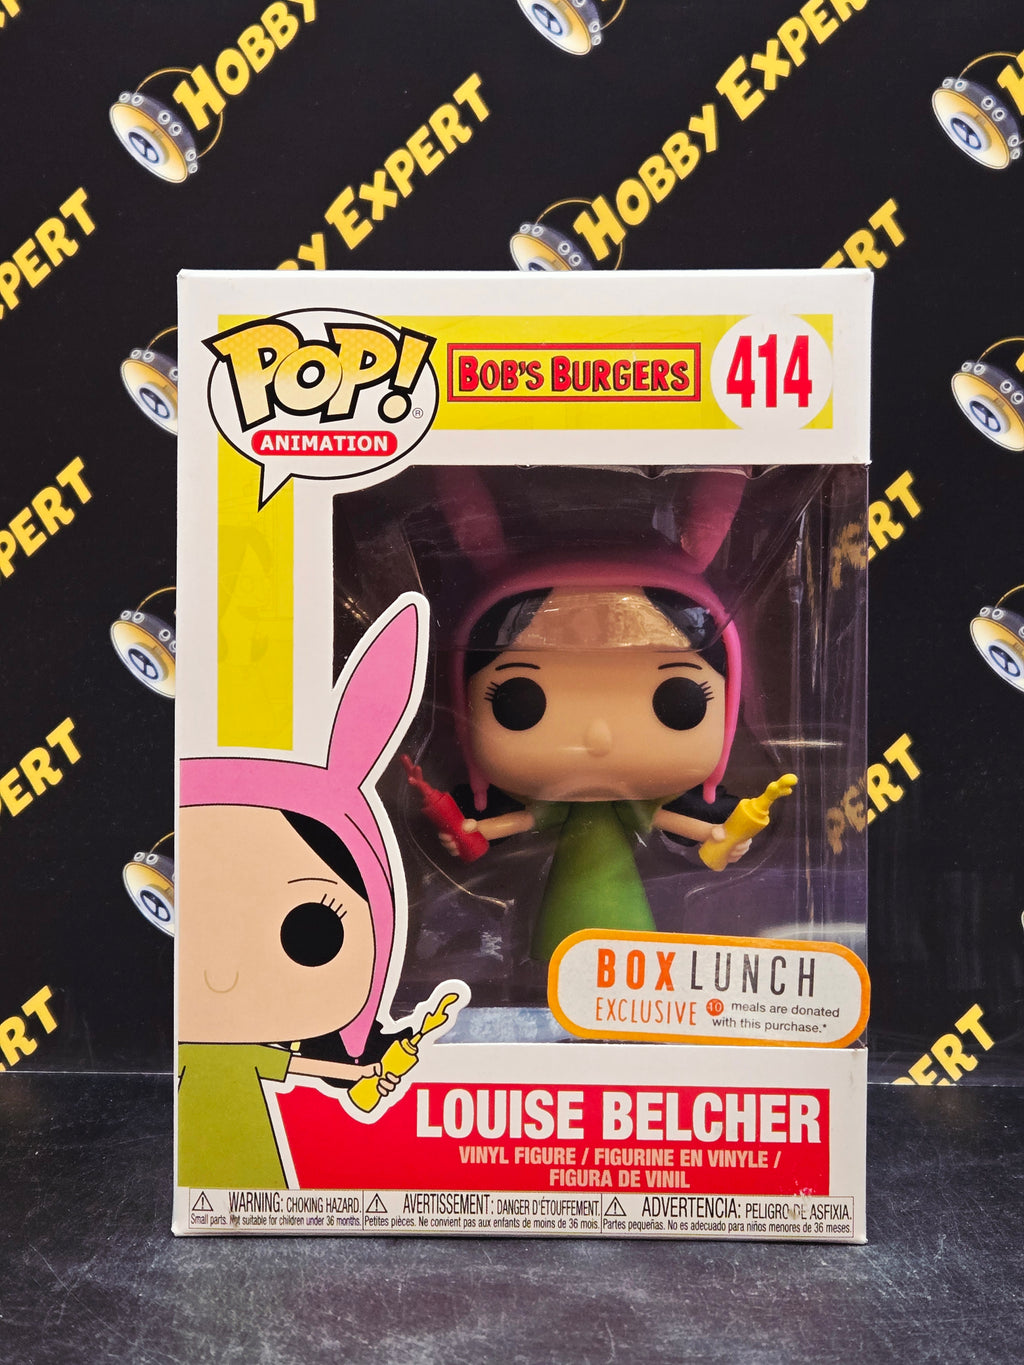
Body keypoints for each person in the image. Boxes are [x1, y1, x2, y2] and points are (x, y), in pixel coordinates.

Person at [176, 596, 425, 1190]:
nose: (220, 976)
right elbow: (313, 1071)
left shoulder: (238, 1048)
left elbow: (313, 1069)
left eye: (311, 934)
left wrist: (369, 1069)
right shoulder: (193, 1047)